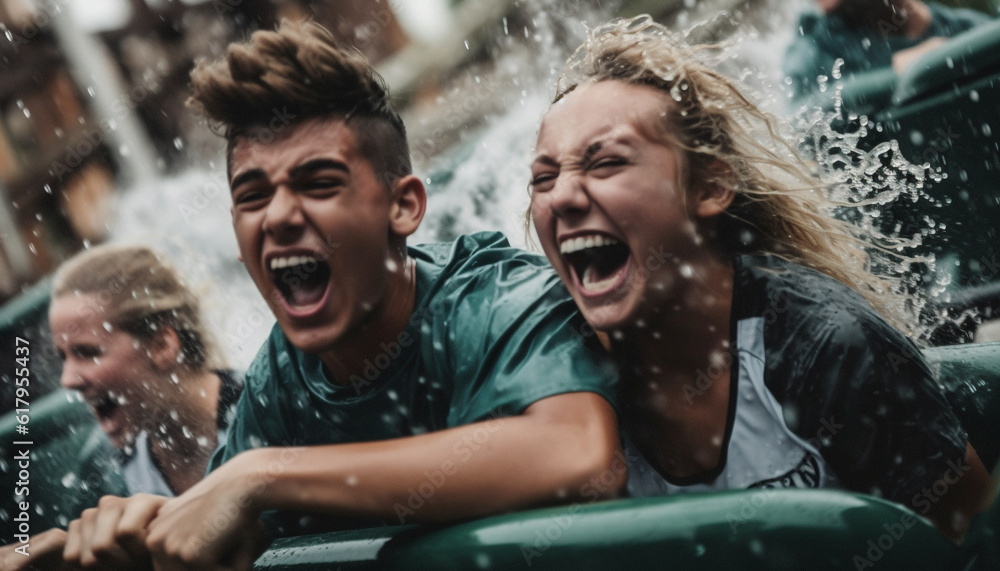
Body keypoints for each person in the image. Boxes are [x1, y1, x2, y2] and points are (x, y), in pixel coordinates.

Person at [60, 20, 622, 570]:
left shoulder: (495, 297)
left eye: (319, 183)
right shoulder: (276, 381)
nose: (278, 215)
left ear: (404, 207)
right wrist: (124, 537)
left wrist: (265, 474)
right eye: (253, 196)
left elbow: (579, 458)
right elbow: (225, 524)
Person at [528, 15, 994, 540]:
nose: (562, 196)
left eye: (607, 163)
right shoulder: (545, 369)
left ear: (709, 189)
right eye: (543, 177)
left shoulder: (827, 347)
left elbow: (968, 537)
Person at [0, 244, 241, 570]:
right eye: (63, 357)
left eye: (87, 352)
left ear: (162, 344)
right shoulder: (104, 468)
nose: (67, 380)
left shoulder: (266, 407)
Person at [783, 0, 993, 106]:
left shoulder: (972, 27)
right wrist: (895, 77)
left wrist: (939, 57)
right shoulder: (818, 46)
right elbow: (797, 122)